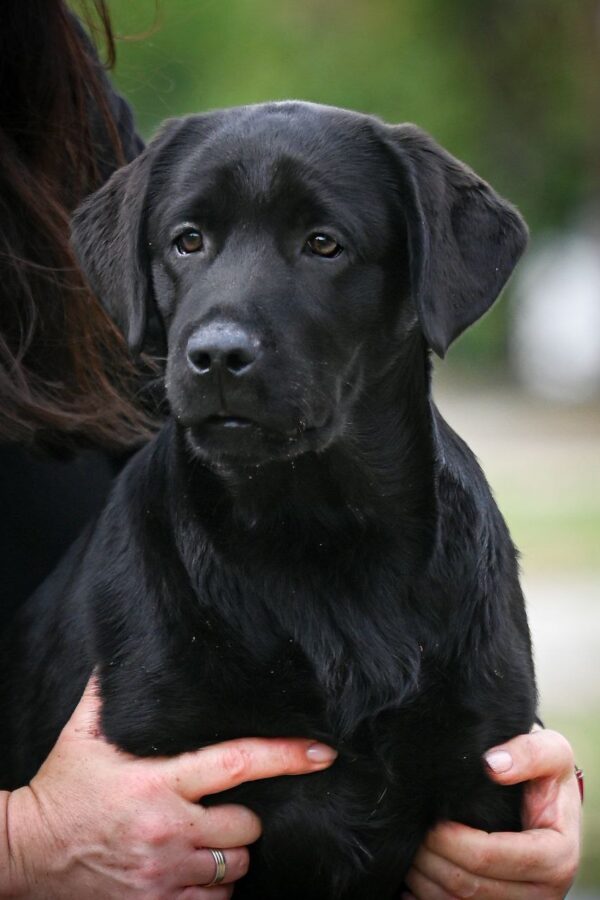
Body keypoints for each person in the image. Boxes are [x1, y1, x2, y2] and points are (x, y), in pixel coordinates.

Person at [0, 2, 581, 896]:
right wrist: (26, 843)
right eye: (190, 243)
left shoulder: (39, 67)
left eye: (323, 243)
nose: (222, 327)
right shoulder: (146, 617)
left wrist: (529, 833)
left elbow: (516, 814)